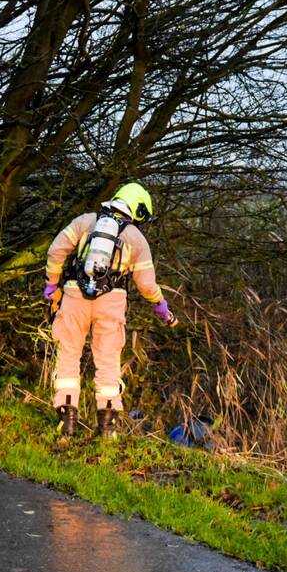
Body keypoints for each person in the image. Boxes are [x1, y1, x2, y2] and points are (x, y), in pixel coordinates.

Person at [43, 182, 176, 438]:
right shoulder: (136, 238)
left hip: (74, 296)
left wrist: (51, 285)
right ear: (137, 211)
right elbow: (146, 285)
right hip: (112, 302)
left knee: (69, 355)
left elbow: (55, 252)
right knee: (107, 363)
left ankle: (66, 422)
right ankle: (108, 428)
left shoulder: (85, 221)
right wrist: (161, 306)